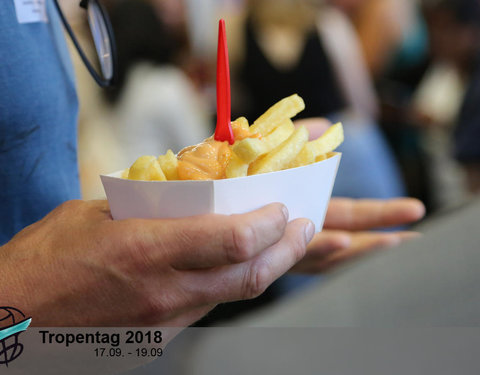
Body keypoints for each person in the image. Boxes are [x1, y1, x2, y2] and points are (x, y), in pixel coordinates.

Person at [0, 1, 424, 327]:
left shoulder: (238, 28)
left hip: (293, 177)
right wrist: (22, 292)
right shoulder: (327, 26)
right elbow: (361, 103)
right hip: (41, 330)